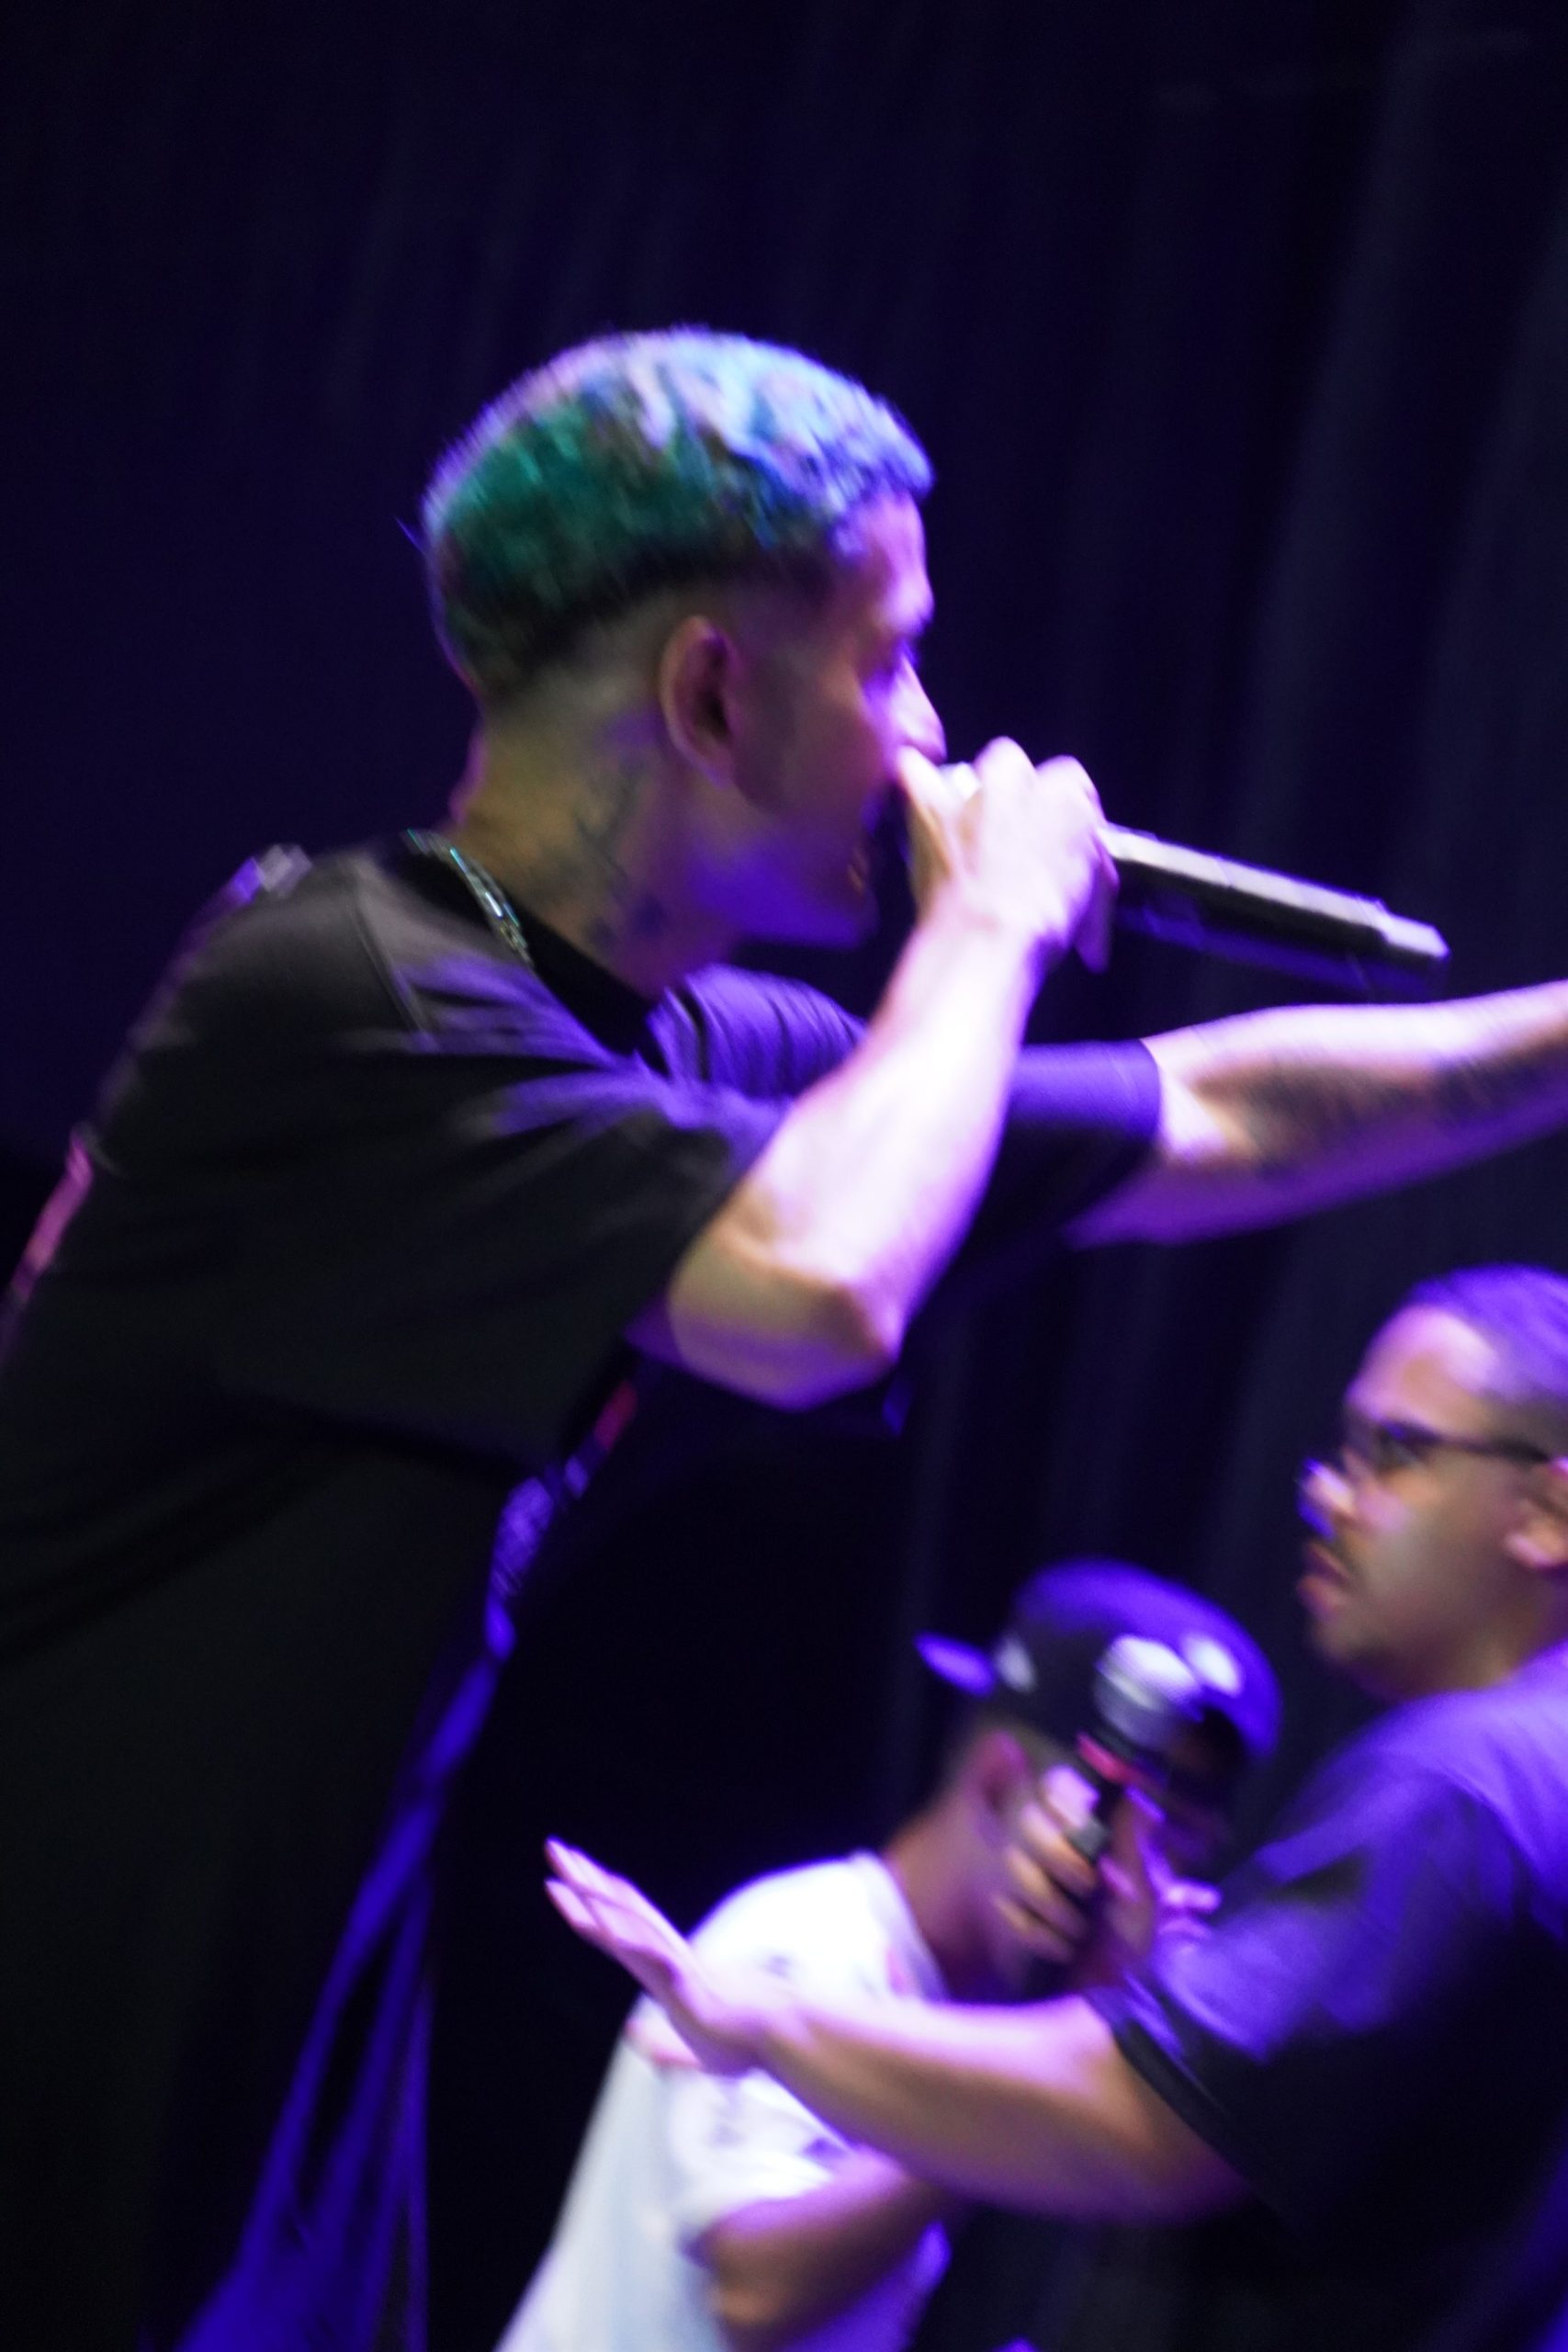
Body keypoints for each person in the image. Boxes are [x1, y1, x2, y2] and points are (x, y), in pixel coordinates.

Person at [8, 326, 1568, 2351]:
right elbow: (821, 1291)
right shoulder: (350, 998)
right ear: (711, 693)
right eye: (891, 661)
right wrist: (989, 927)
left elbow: (1214, 1115)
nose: (934, 739)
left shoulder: (660, 1044)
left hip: (256, 2096)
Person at [550, 1262, 1568, 2352]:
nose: (1328, 1494)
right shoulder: (1524, 1782)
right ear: (999, 1772)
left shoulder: (1466, 1784)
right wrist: (1136, 1998)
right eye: (1342, 1451)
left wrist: (762, 2018)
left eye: (1395, 1451)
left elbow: (1147, 2127)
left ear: (1550, 1512)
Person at [501, 1563, 1279, 2352]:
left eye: (1185, 1859)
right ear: (996, 1784)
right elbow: (752, 2291)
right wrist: (1013, 2113)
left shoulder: (957, 2011)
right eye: (1139, 1844)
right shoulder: (811, 1942)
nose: (1151, 1894)